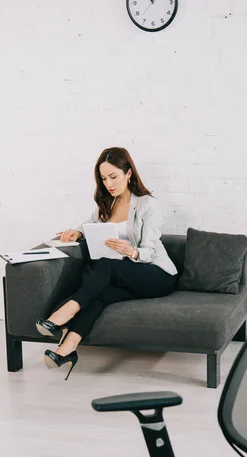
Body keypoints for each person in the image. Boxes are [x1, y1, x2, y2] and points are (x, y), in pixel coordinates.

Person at [35, 147, 178, 379]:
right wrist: (77, 233)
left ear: (128, 173)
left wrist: (130, 250)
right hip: (124, 275)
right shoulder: (107, 203)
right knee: (100, 291)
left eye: (114, 177)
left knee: (106, 265)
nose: (109, 183)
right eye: (103, 178)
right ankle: (67, 349)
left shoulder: (147, 205)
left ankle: (64, 313)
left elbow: (150, 252)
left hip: (156, 274)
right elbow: (88, 224)